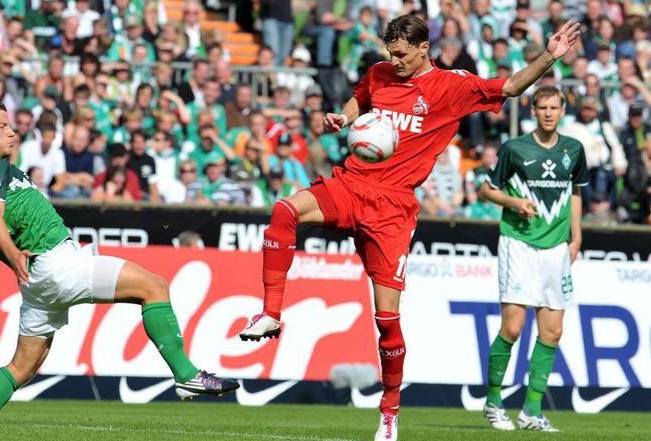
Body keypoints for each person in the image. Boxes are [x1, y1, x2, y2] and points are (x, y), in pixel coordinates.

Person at [238, 15, 581, 441]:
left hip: (393, 210)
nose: (394, 61)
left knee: (387, 319)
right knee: (284, 211)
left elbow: (509, 88)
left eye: (401, 54)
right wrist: (343, 120)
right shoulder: (379, 74)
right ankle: (271, 314)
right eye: (390, 53)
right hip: (352, 182)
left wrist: (549, 56)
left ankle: (389, 413)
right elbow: (359, 101)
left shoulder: (452, 87)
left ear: (424, 48)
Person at [0, 99, 238, 441]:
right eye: (2, 126)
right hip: (55, 263)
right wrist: (11, 253)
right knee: (154, 286)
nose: (12, 132)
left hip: (36, 286)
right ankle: (186, 374)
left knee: (21, 368)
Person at [479, 86, 587, 432]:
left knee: (553, 332)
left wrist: (577, 237)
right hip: (519, 244)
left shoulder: (574, 149)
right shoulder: (515, 148)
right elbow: (486, 188)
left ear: (562, 110)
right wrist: (514, 203)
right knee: (512, 327)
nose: (548, 113)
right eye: (542, 107)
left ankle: (531, 411)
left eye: (554, 107)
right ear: (533, 110)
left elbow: (575, 193)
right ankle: (494, 402)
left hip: (556, 248)